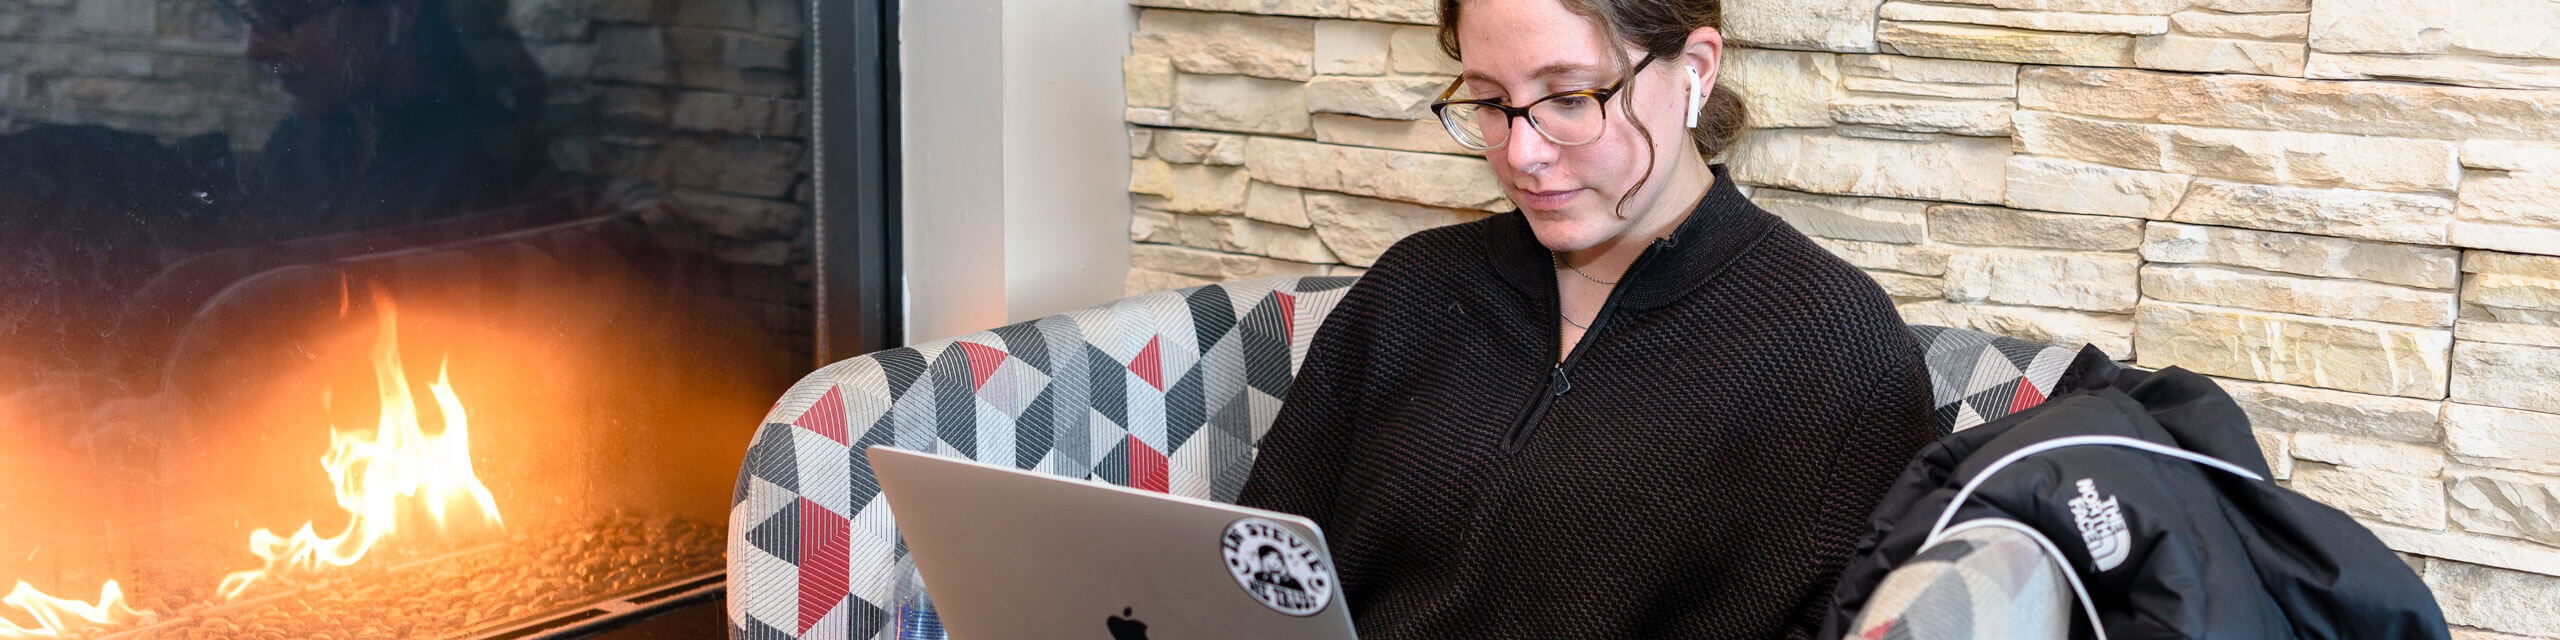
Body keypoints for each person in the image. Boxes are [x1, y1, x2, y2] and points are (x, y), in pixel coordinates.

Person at [1232, 0, 1940, 637]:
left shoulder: (1837, 350)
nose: (1522, 154)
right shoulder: (1412, 289)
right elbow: (1250, 569)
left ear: (1694, 70)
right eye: (1489, 100)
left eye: (1569, 97)